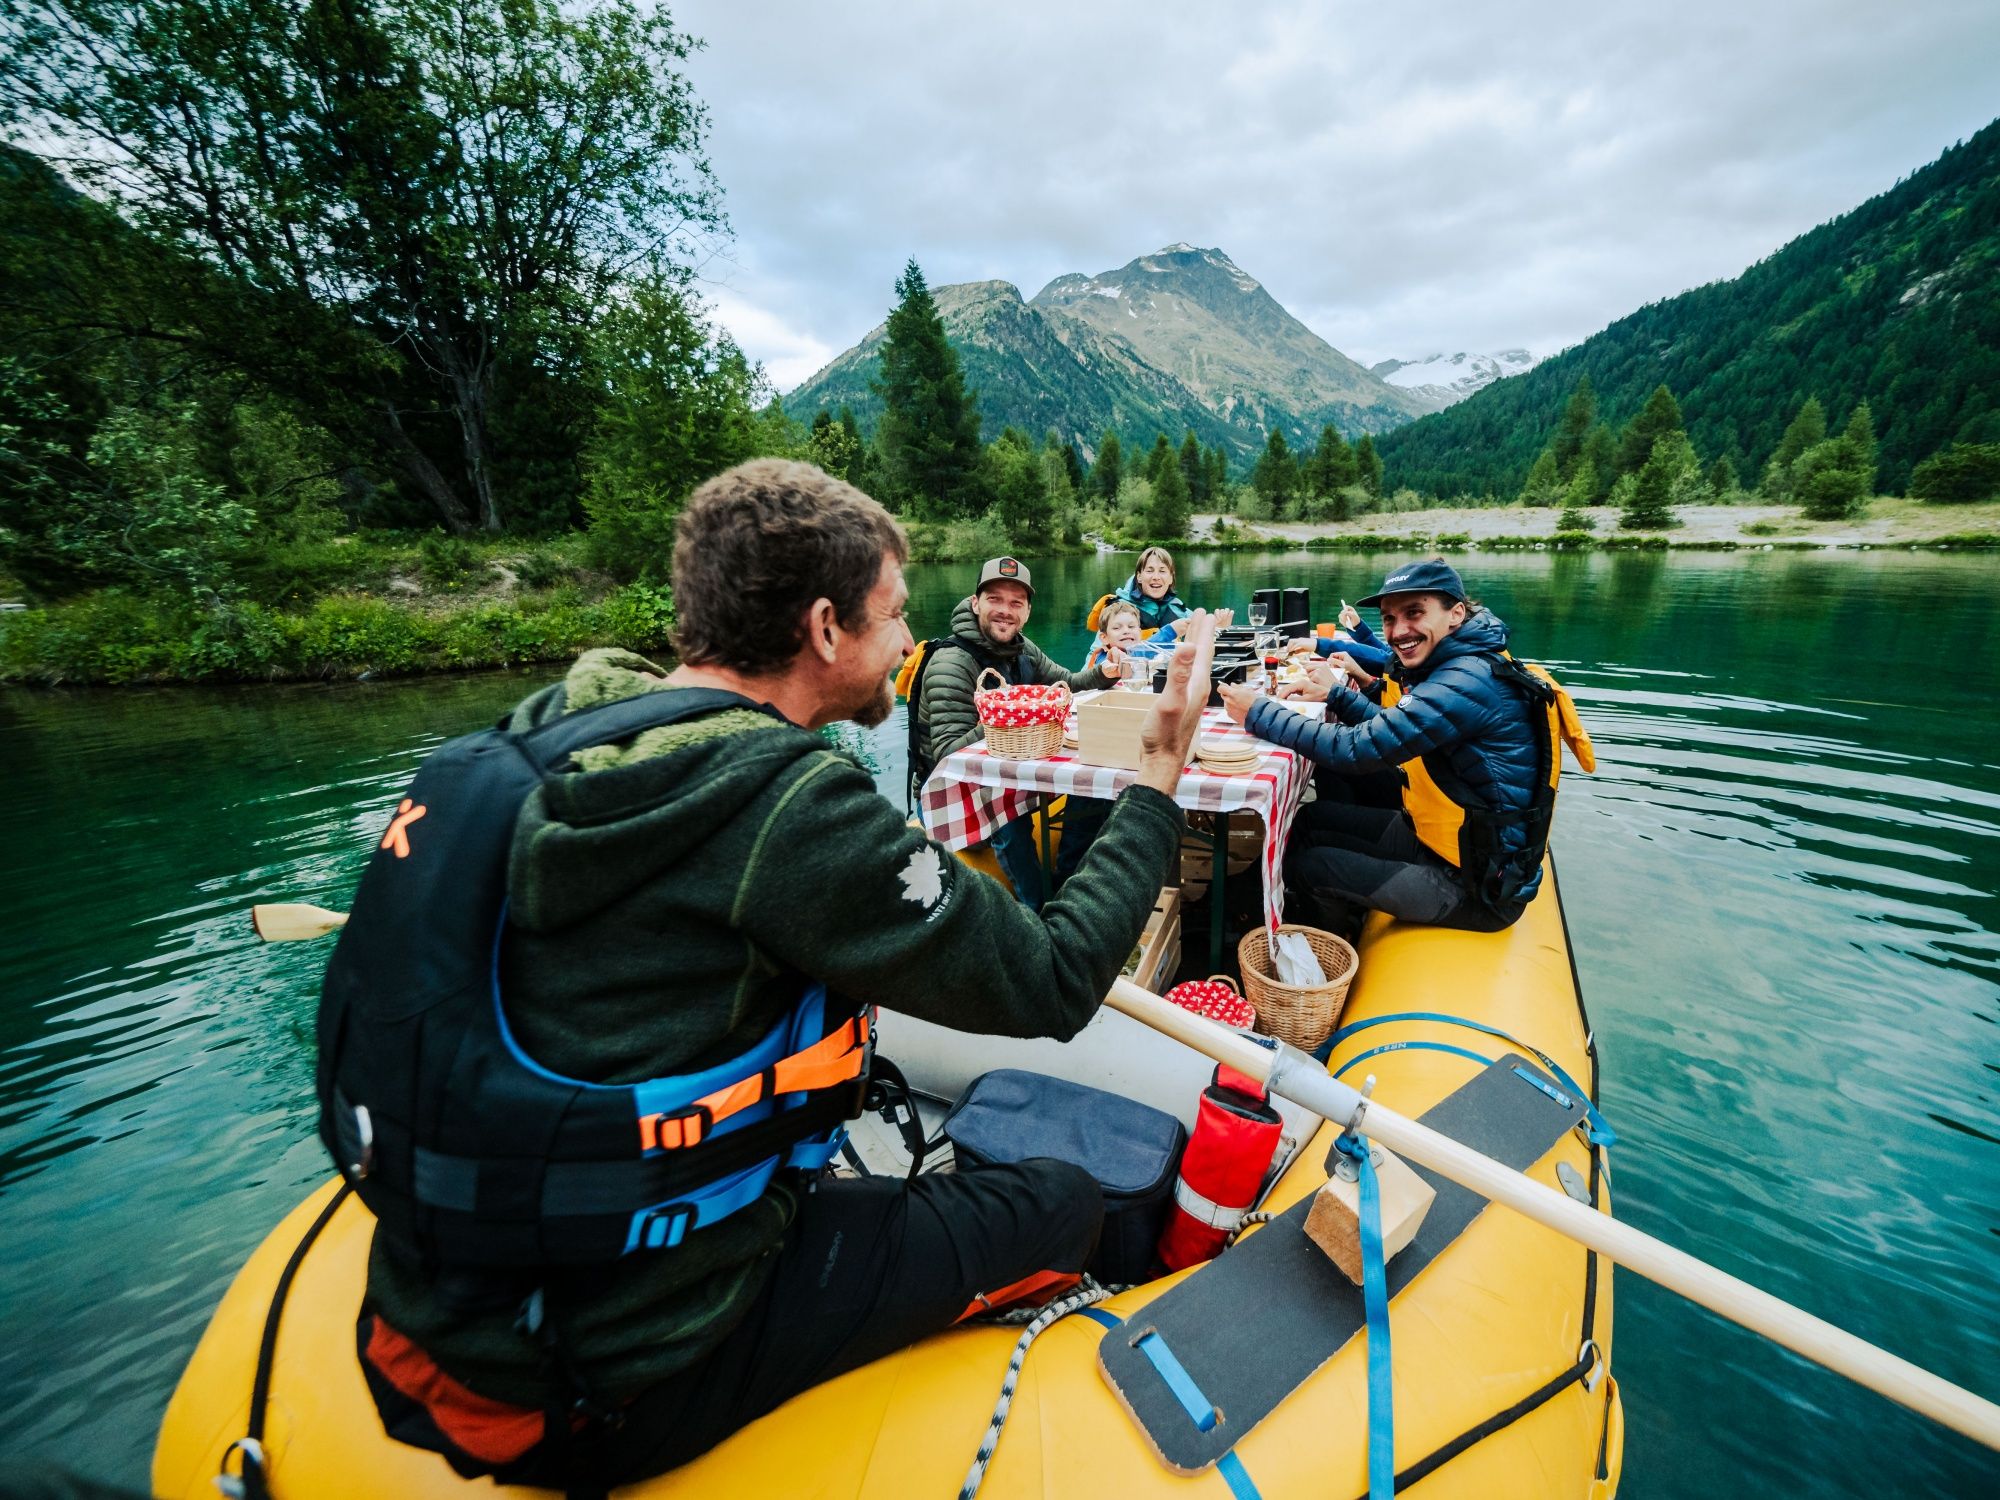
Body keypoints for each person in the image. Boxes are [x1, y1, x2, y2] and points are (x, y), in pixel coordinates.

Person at [332, 460, 1220, 1490]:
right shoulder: (790, 809)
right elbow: (1056, 980)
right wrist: (1157, 773)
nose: (906, 641)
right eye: (892, 615)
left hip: (446, 1313)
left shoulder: (559, 725)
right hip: (623, 1362)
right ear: (824, 629)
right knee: (1062, 1201)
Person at [1217, 558, 1589, 937]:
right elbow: (1393, 727)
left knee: (1313, 866)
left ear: (1456, 613)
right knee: (1310, 821)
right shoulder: (1464, 664)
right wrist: (1336, 697)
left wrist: (1258, 712)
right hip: (1447, 843)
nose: (1398, 631)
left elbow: (1357, 749)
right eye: (1389, 618)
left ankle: (1323, 955)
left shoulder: (1466, 682)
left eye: (1414, 613)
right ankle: (1233, 911)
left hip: (1476, 886)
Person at [910, 556, 1122, 908]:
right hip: (949, 797)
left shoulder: (1022, 649)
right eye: (994, 599)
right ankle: (1037, 911)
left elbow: (1065, 682)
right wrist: (1006, 714)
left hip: (1011, 770)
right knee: (1007, 812)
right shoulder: (951, 663)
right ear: (976, 603)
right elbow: (947, 756)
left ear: (1026, 612)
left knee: (1094, 779)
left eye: (1015, 603)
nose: (1005, 610)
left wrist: (1106, 674)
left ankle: (1066, 881)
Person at [1086, 545, 1192, 638]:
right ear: (1139, 577)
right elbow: (1096, 653)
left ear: (1171, 578)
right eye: (1149, 571)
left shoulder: (1179, 609)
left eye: (1162, 571)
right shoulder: (1118, 609)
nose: (1156, 577)